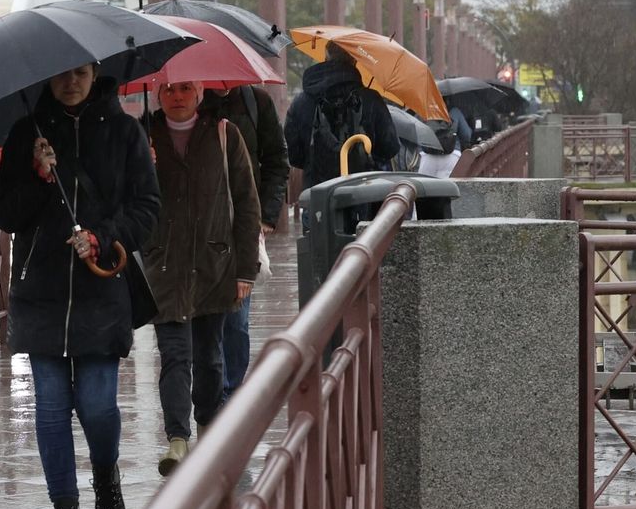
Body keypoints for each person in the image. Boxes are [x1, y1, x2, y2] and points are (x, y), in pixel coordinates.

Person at [0, 63, 160, 509]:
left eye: (81, 73)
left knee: (97, 405)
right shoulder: (27, 133)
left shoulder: (125, 130)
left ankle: (106, 479)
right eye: (61, 74)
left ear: (97, 74)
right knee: (49, 409)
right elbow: (5, 215)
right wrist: (40, 178)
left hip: (100, 290)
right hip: (40, 291)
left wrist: (105, 236)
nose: (70, 82)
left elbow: (148, 208)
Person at [144, 80, 261, 476]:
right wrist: (141, 163)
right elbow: (127, 199)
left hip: (215, 265)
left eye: (186, 89)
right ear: (158, 94)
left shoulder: (225, 134)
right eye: (169, 90)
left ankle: (208, 426)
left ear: (199, 93)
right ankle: (177, 439)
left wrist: (246, 269)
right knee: (174, 355)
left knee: (210, 358)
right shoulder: (145, 136)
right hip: (164, 267)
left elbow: (247, 203)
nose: (177, 96)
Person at [199, 85, 289, 404]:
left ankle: (232, 394)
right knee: (206, 320)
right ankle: (213, 393)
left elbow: (278, 162)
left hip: (243, 223)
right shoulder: (190, 101)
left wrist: (265, 216)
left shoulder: (256, 101)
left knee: (237, 320)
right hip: (199, 226)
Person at [284, 42, 398, 192]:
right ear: (354, 61)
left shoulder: (301, 102)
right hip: (365, 194)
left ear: (325, 58)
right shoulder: (371, 99)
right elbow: (389, 148)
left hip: (318, 195)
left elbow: (294, 156)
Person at [419, 105, 469, 178]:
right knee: (449, 187)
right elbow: (467, 135)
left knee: (426, 187)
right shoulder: (455, 111)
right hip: (452, 156)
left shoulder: (423, 111)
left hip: (427, 157)